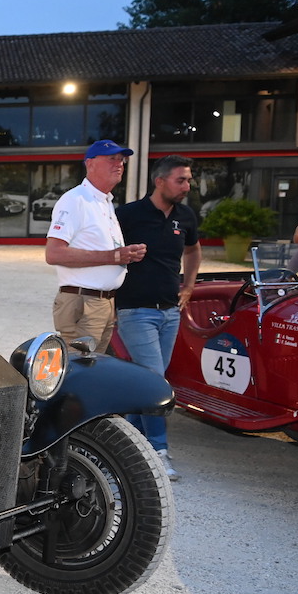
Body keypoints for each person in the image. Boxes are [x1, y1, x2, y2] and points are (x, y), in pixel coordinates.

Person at [115, 155, 201, 481]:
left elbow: (193, 251)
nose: (187, 187)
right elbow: (104, 251)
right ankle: (158, 449)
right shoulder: (128, 215)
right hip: (135, 311)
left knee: (149, 383)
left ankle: (122, 441)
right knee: (156, 382)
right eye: (181, 180)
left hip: (170, 313)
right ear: (160, 181)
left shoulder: (186, 216)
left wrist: (190, 285)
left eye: (189, 180)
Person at [44, 139, 148, 354]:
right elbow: (54, 254)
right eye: (112, 159)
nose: (119, 164)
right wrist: (113, 257)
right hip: (84, 302)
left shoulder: (105, 202)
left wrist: (125, 255)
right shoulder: (75, 200)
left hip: (103, 302)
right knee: (78, 371)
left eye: (122, 160)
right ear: (89, 164)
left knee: (93, 370)